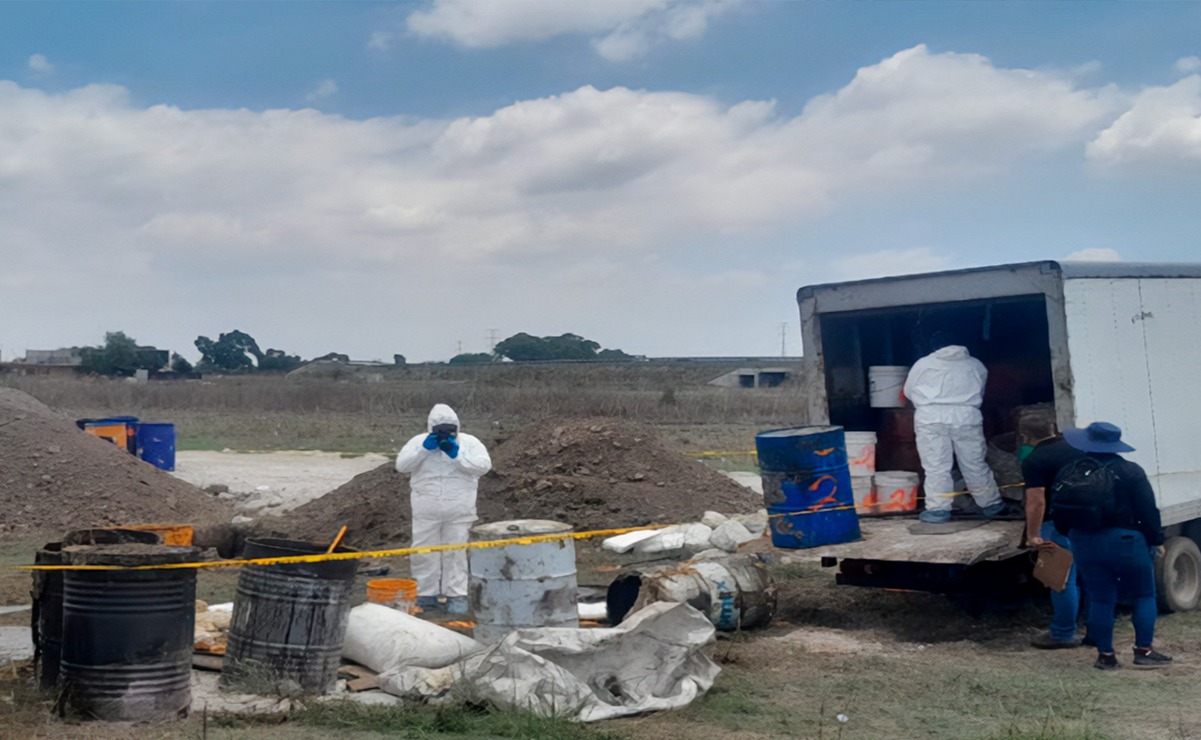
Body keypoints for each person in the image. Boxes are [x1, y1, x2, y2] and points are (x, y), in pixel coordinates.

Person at [1052, 422, 1170, 670]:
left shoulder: (1070, 470)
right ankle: (1143, 651)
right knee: (1144, 595)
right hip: (1127, 541)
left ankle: (1105, 656)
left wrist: (1071, 535)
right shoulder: (1130, 471)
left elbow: (1059, 511)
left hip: (1084, 541)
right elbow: (1148, 510)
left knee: (1101, 599)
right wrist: (1156, 539)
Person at [395, 404, 492, 615]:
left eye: (449, 429)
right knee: (423, 552)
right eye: (440, 429)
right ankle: (425, 594)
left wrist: (456, 454)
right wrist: (423, 449)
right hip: (425, 509)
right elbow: (402, 466)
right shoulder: (418, 442)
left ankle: (456, 595)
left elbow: (483, 467)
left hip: (459, 509)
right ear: (431, 427)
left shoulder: (470, 443)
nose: (445, 434)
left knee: (456, 552)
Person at [903, 344, 1004, 523]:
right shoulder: (976, 365)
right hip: (966, 416)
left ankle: (938, 510)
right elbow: (980, 390)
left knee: (936, 466)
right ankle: (991, 505)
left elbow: (908, 391)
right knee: (974, 462)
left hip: (931, 418)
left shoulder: (923, 364)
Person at [1021, 417, 1087, 649]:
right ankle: (1091, 626)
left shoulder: (1034, 460)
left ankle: (1063, 633)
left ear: (1025, 437)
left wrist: (1033, 534)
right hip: (1086, 520)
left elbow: (1036, 502)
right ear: (1053, 429)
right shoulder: (1077, 449)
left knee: (1061, 580)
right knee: (1084, 575)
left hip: (1057, 524)